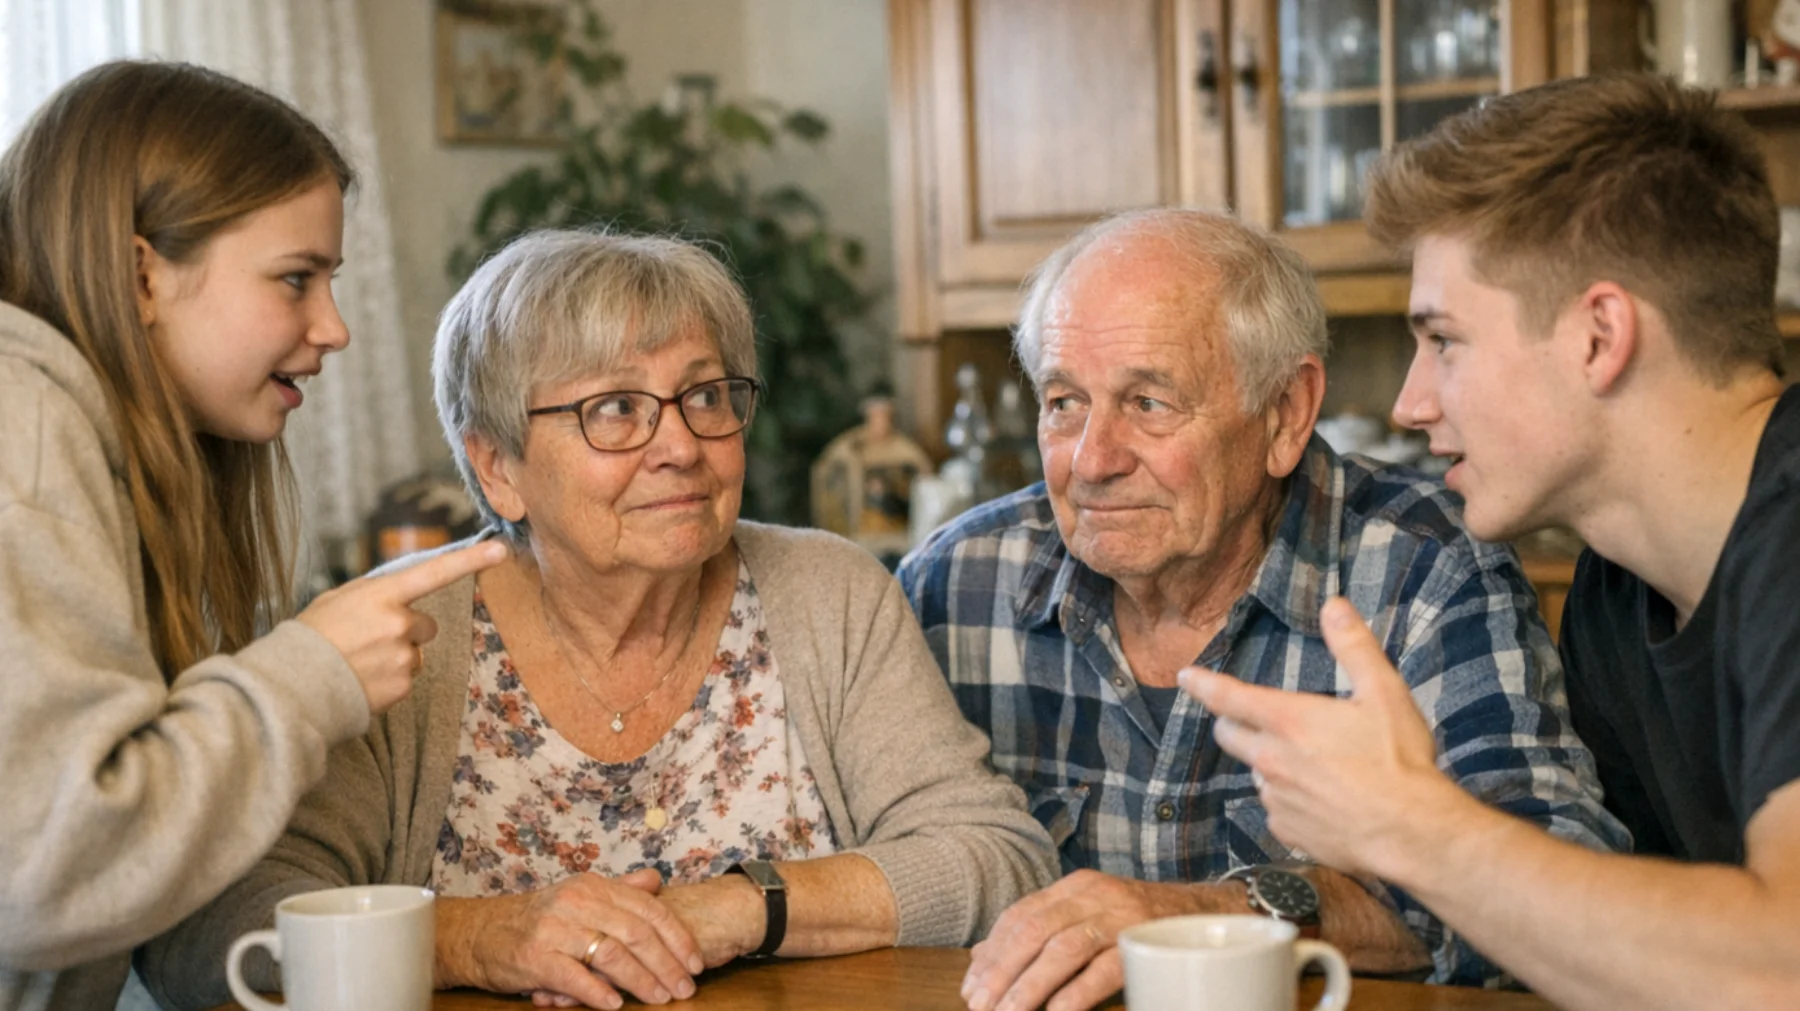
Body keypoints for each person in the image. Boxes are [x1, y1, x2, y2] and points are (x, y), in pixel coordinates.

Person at [140, 229, 1057, 1011]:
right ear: (496, 465)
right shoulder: (401, 628)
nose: (680, 446)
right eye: (614, 408)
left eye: (705, 395)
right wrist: (477, 936)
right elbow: (216, 926)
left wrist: (740, 907)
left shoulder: (829, 593)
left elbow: (995, 861)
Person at [896, 207, 1629, 1011]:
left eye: (1148, 402)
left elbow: (1550, 877)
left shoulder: (1421, 567)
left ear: (1285, 414)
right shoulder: (952, 584)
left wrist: (1213, 915)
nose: (1092, 461)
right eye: (1065, 402)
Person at [1182, 74, 1800, 1011]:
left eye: (1444, 340)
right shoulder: (1616, 588)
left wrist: (1409, 826)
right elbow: (1627, 953)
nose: (1410, 402)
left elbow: (1780, 968)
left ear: (1600, 335)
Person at [0, 61, 508, 1011]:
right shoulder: (22, 435)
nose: (335, 327)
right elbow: (41, 873)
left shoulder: (91, 449)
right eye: (295, 279)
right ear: (140, 272)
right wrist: (310, 671)